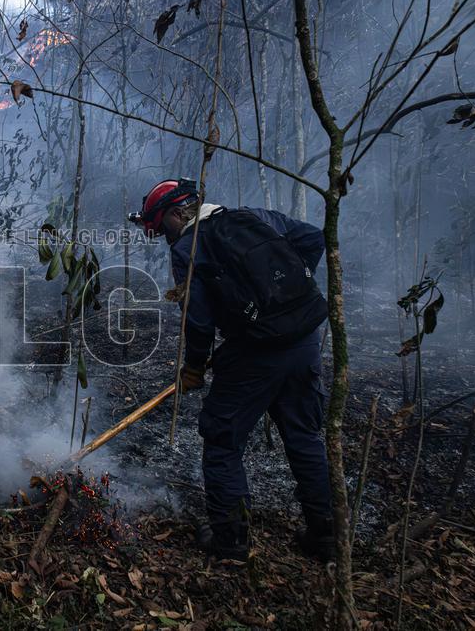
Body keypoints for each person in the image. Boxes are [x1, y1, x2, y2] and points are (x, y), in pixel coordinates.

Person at [130, 178, 335, 562]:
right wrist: (282, 294)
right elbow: (312, 239)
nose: (163, 237)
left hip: (254, 352)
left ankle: (230, 540)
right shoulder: (255, 217)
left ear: (178, 214)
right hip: (304, 341)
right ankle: (325, 534)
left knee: (222, 439)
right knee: (304, 434)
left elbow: (200, 319)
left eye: (162, 228)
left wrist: (193, 367)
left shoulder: (189, 247)